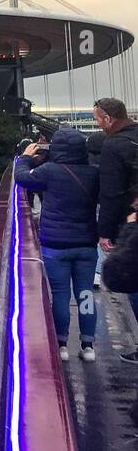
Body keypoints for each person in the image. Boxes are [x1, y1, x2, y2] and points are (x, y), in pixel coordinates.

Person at [14, 127, 100, 362]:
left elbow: (22, 178)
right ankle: (88, 345)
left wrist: (25, 157)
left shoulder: (49, 171)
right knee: (85, 293)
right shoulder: (94, 173)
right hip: (86, 244)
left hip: (55, 245)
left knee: (61, 295)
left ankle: (62, 345)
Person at [94, 98, 138, 361]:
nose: (98, 124)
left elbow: (110, 194)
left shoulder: (112, 146)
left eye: (98, 119)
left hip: (130, 220)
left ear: (108, 119)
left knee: (134, 281)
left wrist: (105, 232)